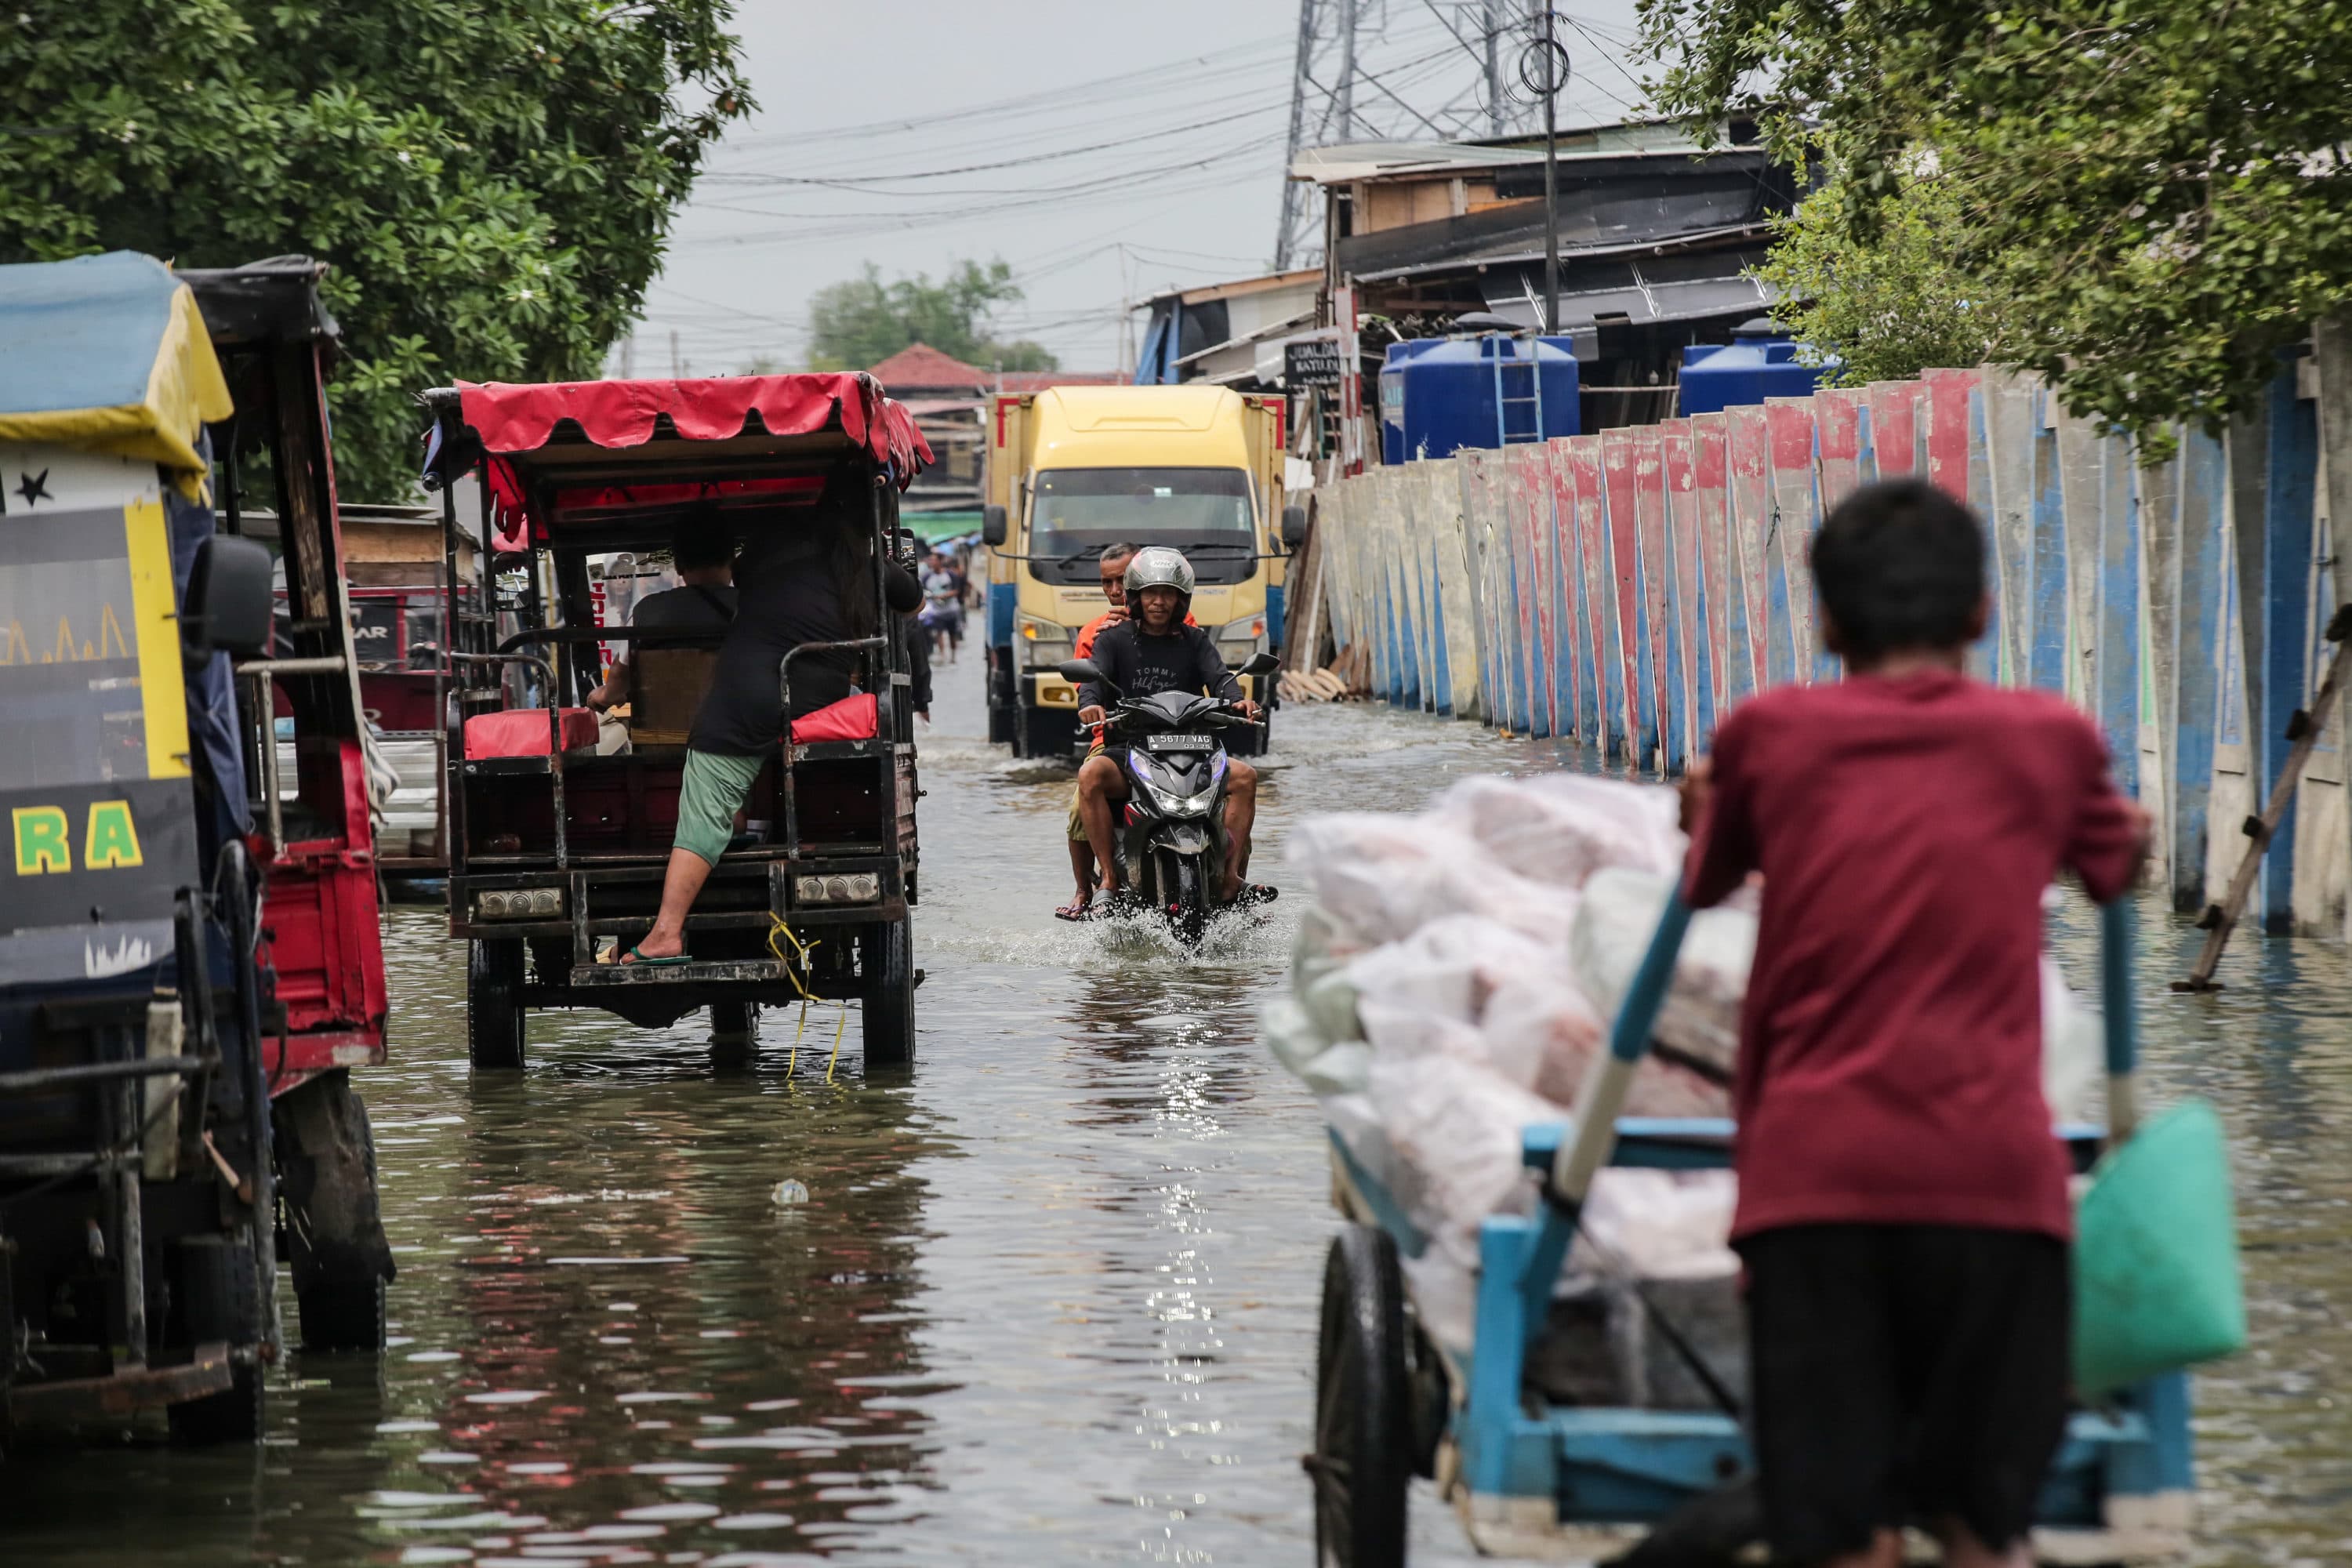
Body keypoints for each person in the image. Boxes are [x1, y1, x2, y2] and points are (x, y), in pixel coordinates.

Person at [1679, 480, 2149, 1568]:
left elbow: (1706, 882)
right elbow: (2113, 866)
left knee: (1844, 1540)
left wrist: (1694, 815)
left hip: (1816, 1186)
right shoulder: (2053, 738)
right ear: (1982, 614)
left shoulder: (1769, 734)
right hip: (1994, 1187)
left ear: (1829, 622)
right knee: (1987, 1534)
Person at [623, 469, 922, 964]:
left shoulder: (765, 554)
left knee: (704, 812)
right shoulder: (873, 570)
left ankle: (666, 934)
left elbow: (745, 581)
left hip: (746, 695)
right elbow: (913, 609)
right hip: (819, 701)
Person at [1073, 546, 1272, 908]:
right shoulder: (1111, 638)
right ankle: (1107, 878)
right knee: (1090, 778)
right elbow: (1092, 681)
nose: (1159, 602)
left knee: (1246, 777)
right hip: (1130, 750)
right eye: (1151, 593)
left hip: (1193, 748)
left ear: (1181, 599)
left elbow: (1221, 677)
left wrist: (1239, 700)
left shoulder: (1195, 640)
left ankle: (1230, 878)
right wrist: (1090, 706)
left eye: (1168, 593)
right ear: (1137, 596)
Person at [586, 509, 739, 713]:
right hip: (746, 731)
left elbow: (619, 678)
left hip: (665, 733)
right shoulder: (757, 606)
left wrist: (603, 695)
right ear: (732, 559)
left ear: (678, 565)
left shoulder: (646, 612)